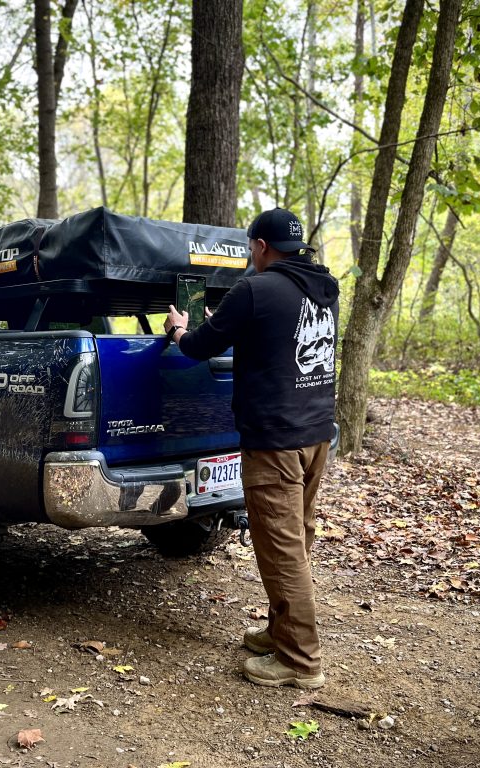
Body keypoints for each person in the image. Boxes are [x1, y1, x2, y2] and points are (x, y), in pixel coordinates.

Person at [164, 208, 339, 689]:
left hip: (275, 440)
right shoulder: (324, 289)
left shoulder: (256, 289)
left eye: (249, 247)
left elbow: (198, 346)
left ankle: (300, 661)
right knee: (296, 538)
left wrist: (177, 326)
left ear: (261, 246)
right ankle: (281, 631)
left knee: (281, 548)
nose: (248, 254)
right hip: (316, 433)